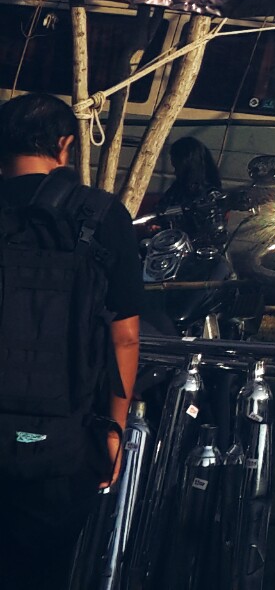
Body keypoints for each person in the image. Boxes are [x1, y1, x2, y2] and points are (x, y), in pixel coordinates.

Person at [0, 92, 143, 590]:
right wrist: (113, 430)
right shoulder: (100, 215)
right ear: (64, 145)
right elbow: (125, 337)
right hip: (63, 443)